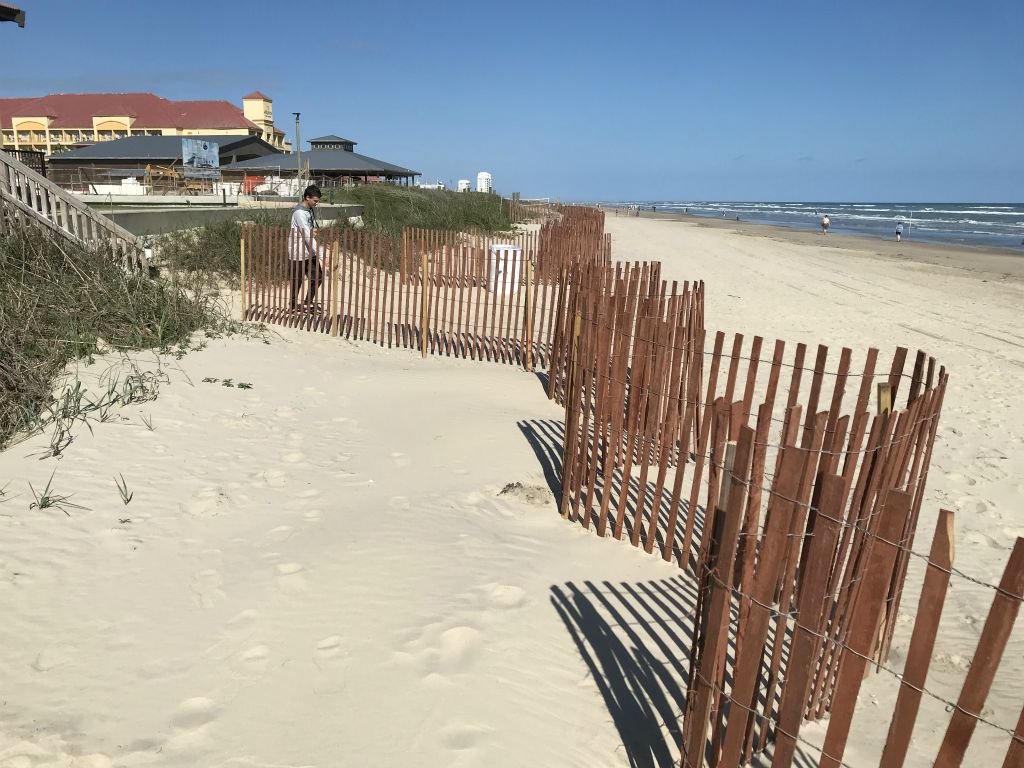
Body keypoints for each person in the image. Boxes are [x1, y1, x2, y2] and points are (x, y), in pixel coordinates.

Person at [289, 184, 324, 310]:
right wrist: (321, 254)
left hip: (310, 252)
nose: (317, 203)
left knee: (318, 277)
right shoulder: (299, 213)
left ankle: (308, 302)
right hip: (298, 252)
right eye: (315, 200)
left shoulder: (308, 209)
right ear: (307, 198)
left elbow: (309, 231)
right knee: (296, 281)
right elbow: (307, 236)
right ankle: (292, 306)